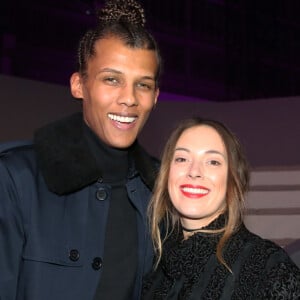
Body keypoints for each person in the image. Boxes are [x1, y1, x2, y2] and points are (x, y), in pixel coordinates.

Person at [0, 0, 161, 299]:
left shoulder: (161, 192)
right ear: (78, 85)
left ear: (155, 96)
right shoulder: (15, 179)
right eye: (112, 79)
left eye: (143, 84)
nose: (129, 98)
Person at [142, 117, 300, 299]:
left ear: (233, 181)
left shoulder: (268, 267)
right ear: (166, 174)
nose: (194, 171)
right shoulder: (151, 267)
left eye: (213, 162)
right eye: (182, 158)